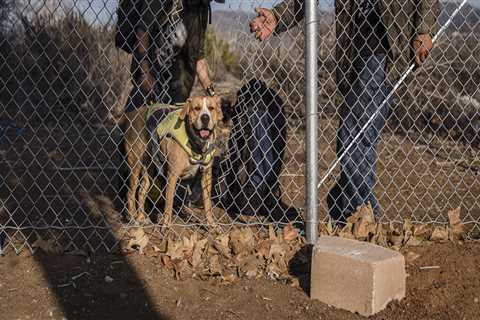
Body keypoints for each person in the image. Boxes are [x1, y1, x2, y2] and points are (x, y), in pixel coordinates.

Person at [249, 0, 439, 223]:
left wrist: (424, 29)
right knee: (357, 137)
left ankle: (362, 216)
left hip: (384, 44)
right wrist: (278, 16)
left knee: (354, 136)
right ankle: (346, 207)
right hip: (352, 50)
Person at [124, 0, 217, 113]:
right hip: (151, 70)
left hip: (175, 82)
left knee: (171, 125)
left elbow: (197, 57)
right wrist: (145, 72)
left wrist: (212, 93)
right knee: (135, 122)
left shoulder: (201, 9)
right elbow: (142, 31)